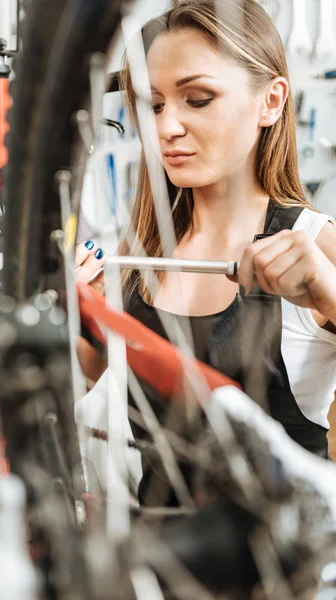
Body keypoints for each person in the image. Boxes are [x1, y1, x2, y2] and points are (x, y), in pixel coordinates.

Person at [75, 0, 336, 502]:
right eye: (153, 105)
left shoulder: (315, 242)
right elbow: (100, 373)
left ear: (271, 101)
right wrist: (80, 316)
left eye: (197, 100)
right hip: (150, 560)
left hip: (278, 568)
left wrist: (328, 294)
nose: (166, 127)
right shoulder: (144, 250)